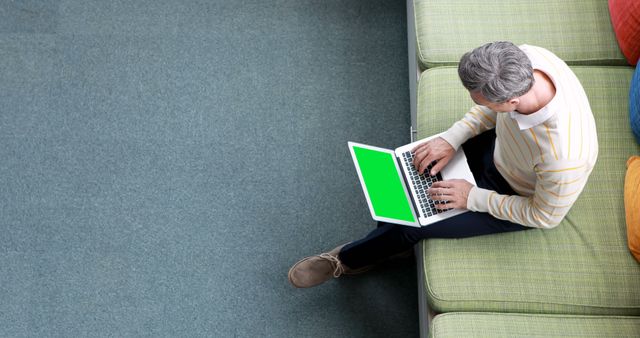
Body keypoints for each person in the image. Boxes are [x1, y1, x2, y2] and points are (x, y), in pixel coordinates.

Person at [288, 41, 598, 288]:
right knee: (414, 166)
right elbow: (492, 113)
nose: (476, 105)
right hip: (503, 150)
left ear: (511, 102)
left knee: (412, 226)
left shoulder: (563, 158)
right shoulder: (527, 59)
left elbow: (543, 216)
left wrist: (471, 197)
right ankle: (387, 237)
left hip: (515, 194)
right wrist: (452, 137)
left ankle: (345, 259)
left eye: (480, 101)